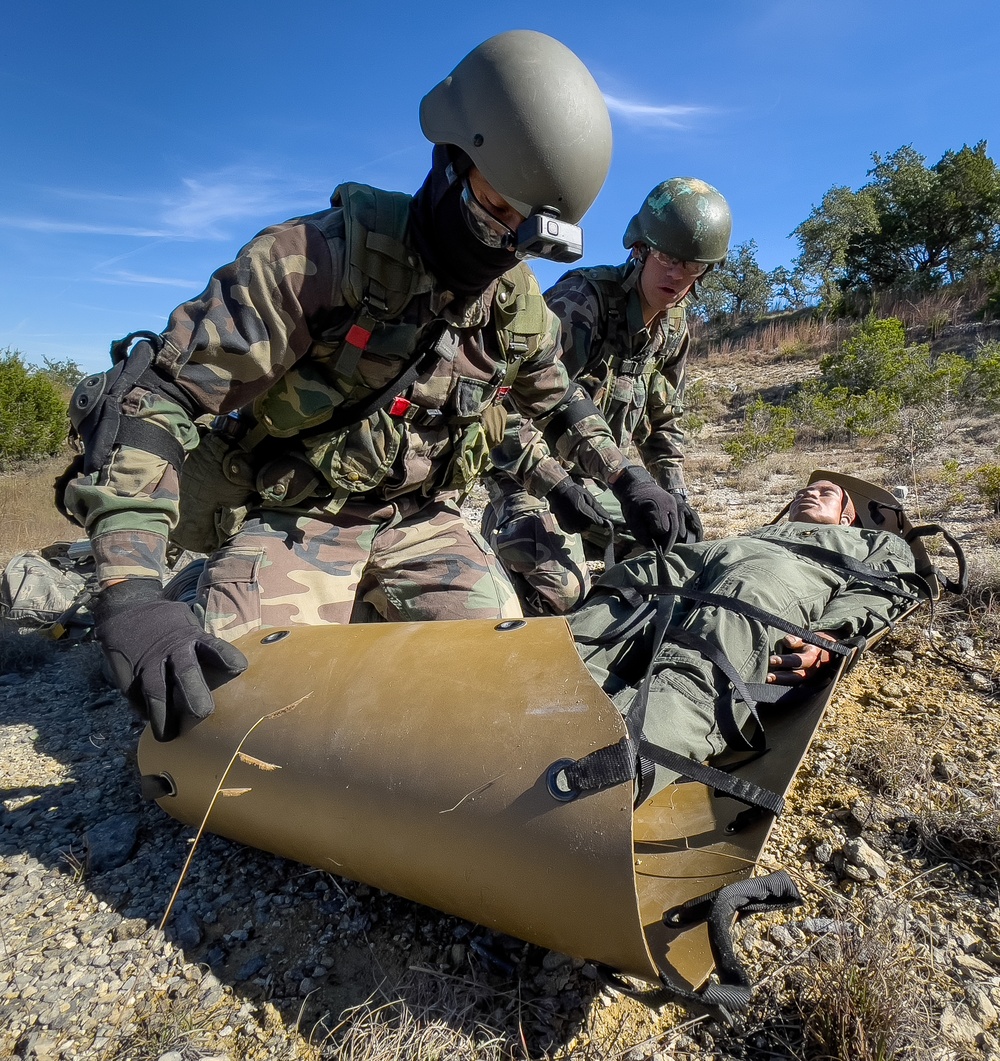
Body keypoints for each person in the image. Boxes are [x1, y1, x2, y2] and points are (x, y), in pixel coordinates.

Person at [60, 31, 685, 743]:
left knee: (500, 701)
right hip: (304, 516)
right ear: (451, 160)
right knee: (233, 716)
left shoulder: (516, 308)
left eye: (528, 235)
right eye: (493, 209)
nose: (503, 246)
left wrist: (631, 478)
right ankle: (195, 588)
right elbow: (160, 400)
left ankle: (354, 605)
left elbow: (561, 401)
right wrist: (129, 588)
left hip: (424, 523)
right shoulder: (321, 258)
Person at [563, 479, 923, 800]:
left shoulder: (874, 540)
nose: (809, 493)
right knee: (628, 593)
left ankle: (596, 772)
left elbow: (886, 587)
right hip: (702, 562)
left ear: (847, 517)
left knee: (717, 633)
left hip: (778, 574)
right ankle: (538, 689)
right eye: (803, 492)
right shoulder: (758, 531)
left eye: (825, 492)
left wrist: (833, 632)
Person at [482, 178, 732, 616]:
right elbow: (502, 405)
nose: (677, 275)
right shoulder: (583, 302)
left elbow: (663, 423)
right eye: (668, 257)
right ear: (640, 248)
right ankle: (501, 535)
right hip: (527, 475)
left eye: (692, 266)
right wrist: (553, 483)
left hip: (605, 479)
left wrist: (676, 496)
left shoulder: (673, 329)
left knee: (677, 551)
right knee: (561, 590)